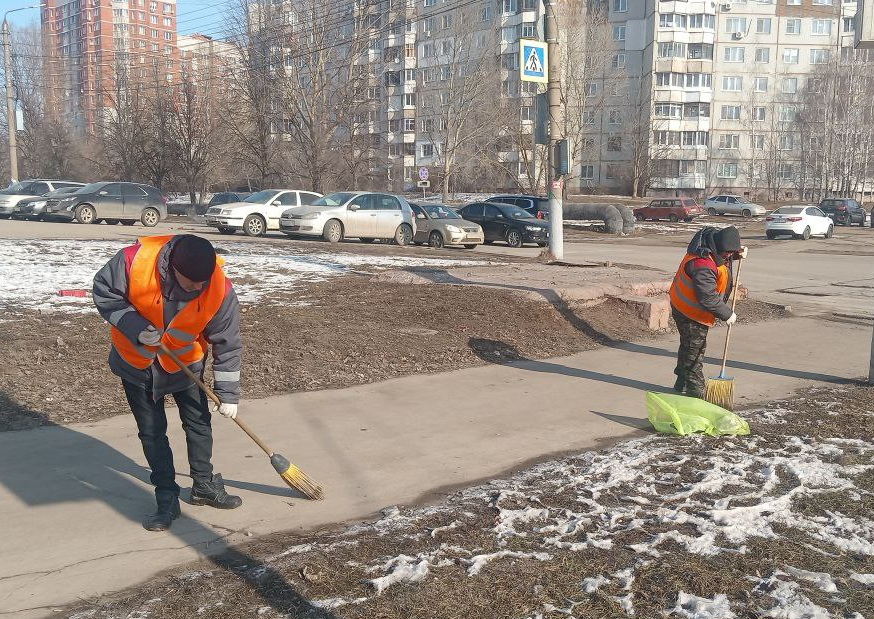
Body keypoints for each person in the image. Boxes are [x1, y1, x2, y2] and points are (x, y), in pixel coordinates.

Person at [93, 234, 243, 531]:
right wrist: (135, 326)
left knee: (199, 423)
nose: (199, 289)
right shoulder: (132, 262)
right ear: (173, 268)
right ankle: (166, 497)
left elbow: (228, 343)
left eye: (204, 282)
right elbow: (104, 291)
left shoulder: (219, 288)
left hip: (186, 364)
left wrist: (228, 394)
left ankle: (203, 486)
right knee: (152, 432)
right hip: (138, 365)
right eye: (192, 284)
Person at [669, 226, 747, 399]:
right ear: (718, 247)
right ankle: (695, 391)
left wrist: (736, 254)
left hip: (685, 304)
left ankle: (681, 381)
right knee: (695, 350)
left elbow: (721, 259)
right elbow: (708, 298)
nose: (728, 256)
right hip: (689, 311)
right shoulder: (702, 264)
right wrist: (727, 314)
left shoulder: (710, 245)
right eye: (727, 253)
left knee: (688, 345)